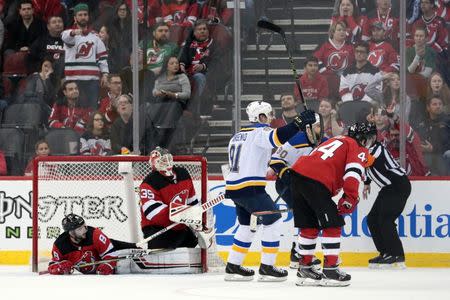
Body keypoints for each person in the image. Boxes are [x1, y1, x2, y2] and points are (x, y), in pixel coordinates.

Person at [224, 101, 316, 282]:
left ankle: (233, 266)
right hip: (250, 188)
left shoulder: (237, 136)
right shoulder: (260, 132)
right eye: (269, 114)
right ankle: (267, 267)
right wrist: (298, 122)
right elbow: (278, 137)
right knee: (273, 221)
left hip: (234, 188)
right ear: (260, 117)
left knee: (247, 225)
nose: (272, 118)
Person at [291, 122, 376, 287]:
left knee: (309, 226)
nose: (369, 143)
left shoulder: (336, 140)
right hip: (316, 179)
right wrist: (350, 197)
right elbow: (353, 172)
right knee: (333, 224)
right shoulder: (357, 147)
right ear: (363, 139)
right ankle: (330, 270)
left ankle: (305, 268)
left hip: (297, 174)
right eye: (369, 139)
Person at [268, 113, 326, 269]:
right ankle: (299, 252)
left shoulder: (326, 143)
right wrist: (287, 174)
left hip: (307, 185)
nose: (316, 130)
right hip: (287, 184)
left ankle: (298, 252)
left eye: (319, 126)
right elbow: (275, 161)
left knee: (307, 216)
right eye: (313, 127)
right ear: (307, 128)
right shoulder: (295, 141)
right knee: (305, 215)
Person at [139, 146, 214, 249]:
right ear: (154, 164)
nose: (167, 163)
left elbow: (192, 201)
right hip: (157, 229)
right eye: (162, 161)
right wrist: (183, 213)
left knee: (192, 242)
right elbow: (152, 212)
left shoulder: (183, 174)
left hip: (179, 226)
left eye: (168, 159)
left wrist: (197, 221)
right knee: (163, 251)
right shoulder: (149, 182)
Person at [363, 126, 411, 269]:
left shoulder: (377, 148)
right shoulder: (365, 150)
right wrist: (367, 182)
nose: (359, 141)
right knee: (372, 219)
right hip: (388, 188)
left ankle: (397, 254)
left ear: (372, 137)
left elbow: (368, 162)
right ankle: (385, 252)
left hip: (398, 186)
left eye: (362, 138)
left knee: (385, 219)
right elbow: (367, 168)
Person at [48, 214, 137, 275]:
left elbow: (111, 253)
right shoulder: (60, 245)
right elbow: (52, 266)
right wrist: (59, 267)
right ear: (70, 233)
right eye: (80, 229)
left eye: (84, 226)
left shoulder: (95, 234)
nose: (85, 230)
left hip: (110, 247)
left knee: (120, 245)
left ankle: (137, 246)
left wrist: (108, 264)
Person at [61, 3, 109, 109]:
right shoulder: (70, 35)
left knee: (91, 109)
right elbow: (65, 37)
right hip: (74, 80)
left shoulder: (95, 37)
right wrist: (74, 32)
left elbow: (102, 57)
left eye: (85, 14)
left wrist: (105, 74)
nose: (83, 17)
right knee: (76, 109)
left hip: (92, 81)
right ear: (75, 18)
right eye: (80, 15)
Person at [149, 56, 191, 150]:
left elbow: (187, 94)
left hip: (176, 103)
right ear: (166, 66)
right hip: (161, 103)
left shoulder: (182, 77)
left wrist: (173, 94)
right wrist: (159, 93)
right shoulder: (160, 78)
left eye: (176, 63)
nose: (175, 65)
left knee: (173, 106)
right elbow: (154, 91)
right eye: (172, 63)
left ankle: (164, 133)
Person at [314, 21, 354, 101]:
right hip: (328, 81)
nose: (342, 32)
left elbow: (355, 62)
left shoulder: (350, 46)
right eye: (339, 30)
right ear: (332, 32)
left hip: (346, 82)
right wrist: (329, 72)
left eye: (344, 30)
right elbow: (315, 60)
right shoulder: (324, 45)